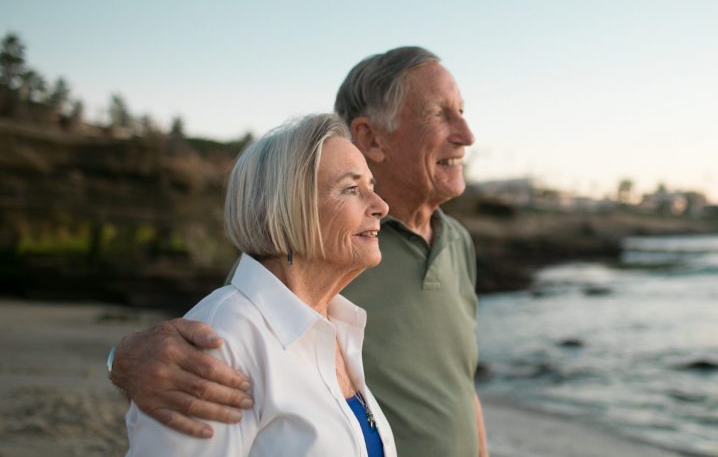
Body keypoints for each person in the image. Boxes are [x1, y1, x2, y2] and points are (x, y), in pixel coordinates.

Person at [111, 47, 488, 456]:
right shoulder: (312, 264)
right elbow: (232, 333)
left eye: (462, 112)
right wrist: (121, 359)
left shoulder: (451, 247)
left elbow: (462, 384)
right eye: (439, 114)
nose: (467, 135)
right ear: (370, 137)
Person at [126, 114, 395, 456]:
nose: (381, 206)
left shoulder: (337, 328)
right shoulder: (221, 340)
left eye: (372, 187)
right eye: (352, 189)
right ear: (285, 209)